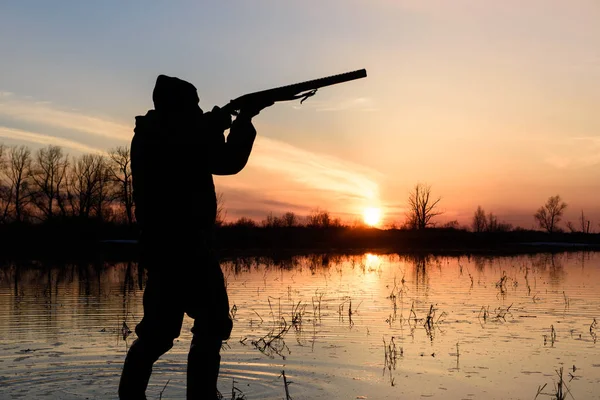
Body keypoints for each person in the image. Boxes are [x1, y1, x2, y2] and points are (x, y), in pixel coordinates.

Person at [118, 74, 272, 400]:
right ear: (178, 106)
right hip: (180, 246)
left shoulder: (167, 133)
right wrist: (224, 122)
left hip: (171, 247)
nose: (200, 109)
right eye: (194, 105)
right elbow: (191, 146)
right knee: (204, 325)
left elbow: (225, 160)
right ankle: (198, 397)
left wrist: (242, 120)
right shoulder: (158, 135)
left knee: (166, 332)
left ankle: (142, 396)